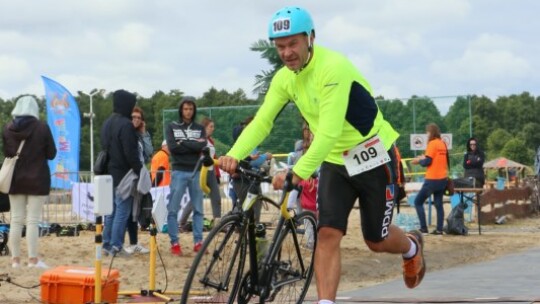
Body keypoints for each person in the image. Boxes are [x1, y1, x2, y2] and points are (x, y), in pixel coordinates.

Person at [218, 6, 425, 303]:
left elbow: (327, 132)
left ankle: (412, 246)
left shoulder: (332, 68)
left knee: (375, 241)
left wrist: (297, 171)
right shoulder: (284, 78)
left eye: (293, 44)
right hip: (334, 160)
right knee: (327, 234)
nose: (287, 52)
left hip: (373, 155)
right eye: (280, 47)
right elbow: (262, 121)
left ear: (310, 38)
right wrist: (234, 155)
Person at [2, 96, 56, 268]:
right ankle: (33, 260)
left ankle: (15, 260)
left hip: (15, 180)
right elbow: (51, 153)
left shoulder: (7, 128)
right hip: (37, 179)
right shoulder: (42, 128)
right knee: (33, 220)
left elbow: (8, 153)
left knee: (16, 220)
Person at [101, 89, 143, 256]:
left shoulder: (107, 123)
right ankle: (117, 246)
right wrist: (140, 171)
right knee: (122, 211)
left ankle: (106, 245)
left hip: (107, 173)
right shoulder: (125, 125)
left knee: (110, 211)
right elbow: (130, 153)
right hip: (123, 175)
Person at [165, 96, 207, 255]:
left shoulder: (200, 128)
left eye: (191, 109)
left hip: (196, 171)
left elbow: (202, 145)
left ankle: (198, 241)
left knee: (198, 209)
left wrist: (183, 143)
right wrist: (192, 146)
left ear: (194, 110)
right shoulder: (172, 126)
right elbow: (173, 148)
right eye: (185, 108)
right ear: (181, 110)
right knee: (173, 209)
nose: (188, 111)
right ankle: (174, 242)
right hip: (178, 171)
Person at [122, 106, 153, 255]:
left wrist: (144, 133)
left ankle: (133, 242)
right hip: (128, 176)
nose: (136, 120)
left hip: (138, 176)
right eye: (133, 117)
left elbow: (149, 152)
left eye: (139, 118)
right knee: (125, 211)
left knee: (134, 211)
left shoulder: (139, 136)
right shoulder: (125, 133)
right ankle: (121, 243)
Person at [411, 123, 449, 235]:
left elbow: (427, 161)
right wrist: (424, 158)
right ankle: (439, 229)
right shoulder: (442, 143)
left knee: (418, 202)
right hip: (442, 179)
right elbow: (435, 159)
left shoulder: (432, 144)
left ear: (431, 132)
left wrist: (419, 161)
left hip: (432, 179)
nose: (426, 134)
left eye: (427, 132)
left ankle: (424, 228)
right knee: (438, 204)